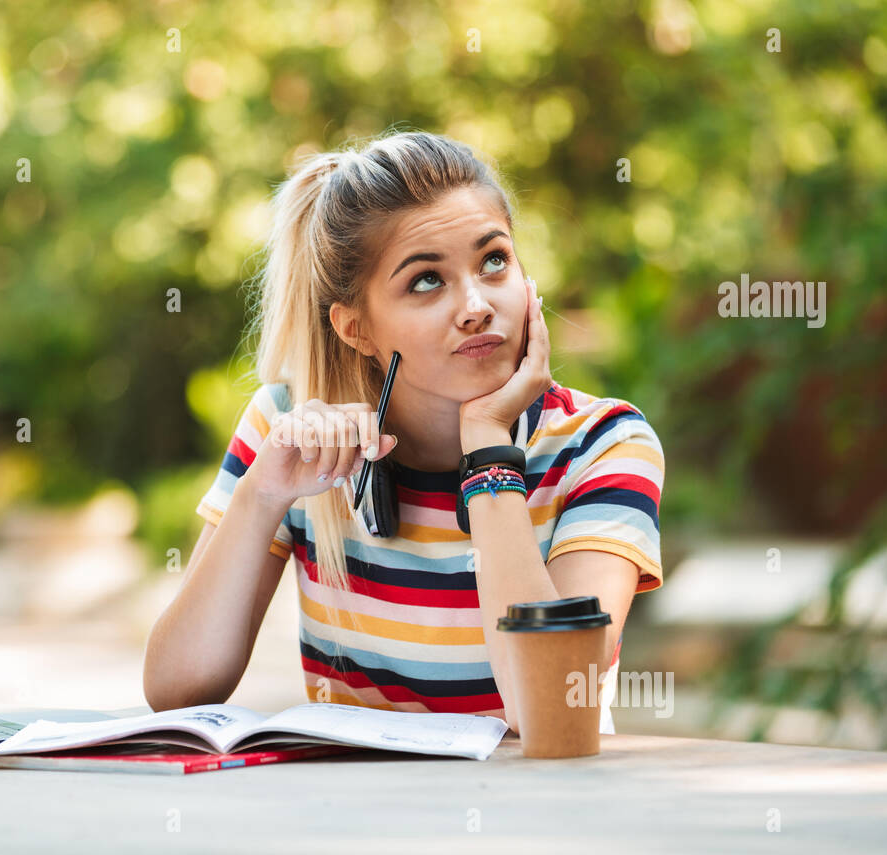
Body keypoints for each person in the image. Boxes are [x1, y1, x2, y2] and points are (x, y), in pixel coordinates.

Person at [144, 129, 664, 735]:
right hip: (357, 817)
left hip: (535, 815)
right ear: (356, 328)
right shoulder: (289, 428)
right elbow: (176, 690)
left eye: (494, 261)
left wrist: (490, 452)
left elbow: (550, 706)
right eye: (426, 281)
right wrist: (263, 494)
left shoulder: (604, 444)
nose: (475, 304)